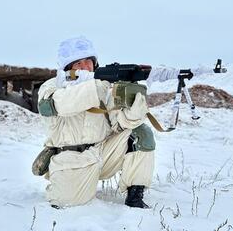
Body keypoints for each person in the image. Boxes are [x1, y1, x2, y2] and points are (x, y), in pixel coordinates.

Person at [32, 36, 155, 209]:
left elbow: (118, 124)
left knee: (140, 133)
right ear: (68, 68)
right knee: (67, 205)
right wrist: (94, 88)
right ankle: (59, 183)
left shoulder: (103, 87)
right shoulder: (52, 86)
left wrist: (133, 114)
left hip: (102, 153)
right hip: (71, 159)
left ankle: (135, 197)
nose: (84, 67)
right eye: (78, 63)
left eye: (88, 61)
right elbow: (54, 105)